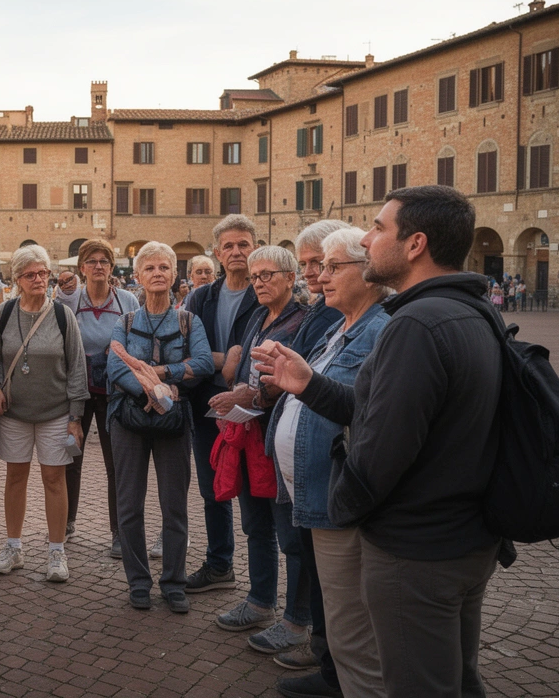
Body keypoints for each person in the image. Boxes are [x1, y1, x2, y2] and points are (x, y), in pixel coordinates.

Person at [257, 185, 503, 697]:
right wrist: (310, 385)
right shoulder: (473, 310)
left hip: (418, 545)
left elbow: (382, 447)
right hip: (462, 533)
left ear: (415, 244)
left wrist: (340, 507)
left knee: (409, 679)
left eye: (378, 228)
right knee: (455, 678)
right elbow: (386, 413)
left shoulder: (415, 324)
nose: (368, 239)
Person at [260, 228, 391, 698]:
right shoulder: (341, 324)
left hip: (340, 491)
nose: (319, 277)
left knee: (351, 617)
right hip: (316, 490)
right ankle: (335, 676)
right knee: (335, 606)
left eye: (333, 267)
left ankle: (346, 681)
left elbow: (365, 408)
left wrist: (302, 381)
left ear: (369, 271)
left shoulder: (380, 328)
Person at [207, 246, 311, 654]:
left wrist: (253, 393)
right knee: (255, 524)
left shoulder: (304, 320)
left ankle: (297, 620)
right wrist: (236, 396)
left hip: (280, 436)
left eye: (269, 274)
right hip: (250, 433)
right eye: (255, 277)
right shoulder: (256, 316)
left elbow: (301, 380)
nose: (260, 283)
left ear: (290, 277)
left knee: (291, 534)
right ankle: (260, 600)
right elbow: (245, 370)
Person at [106, 242, 212, 613]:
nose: (157, 274)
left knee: (174, 506)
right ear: (137, 276)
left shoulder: (189, 321)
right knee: (129, 505)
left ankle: (173, 582)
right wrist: (148, 390)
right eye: (149, 268)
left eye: (164, 267)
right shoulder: (126, 321)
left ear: (174, 275)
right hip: (129, 420)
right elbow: (116, 367)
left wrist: (161, 379)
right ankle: (138, 582)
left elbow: (203, 363)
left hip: (173, 420)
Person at [0, 244, 89, 583]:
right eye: (30, 274)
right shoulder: (4, 312)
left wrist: (76, 417)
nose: (38, 279)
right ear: (16, 279)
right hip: (15, 412)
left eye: (43, 273)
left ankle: (56, 552)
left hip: (56, 412)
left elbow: (77, 367)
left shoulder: (63, 315)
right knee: (15, 478)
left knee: (53, 480)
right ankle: (13, 548)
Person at [183, 215, 261, 594]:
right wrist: (224, 359)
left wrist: (236, 363)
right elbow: (189, 351)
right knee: (213, 488)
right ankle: (219, 564)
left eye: (242, 245)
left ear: (254, 248)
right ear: (216, 253)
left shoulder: (264, 293)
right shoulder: (201, 296)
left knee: (252, 490)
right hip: (206, 404)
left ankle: (261, 585)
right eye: (228, 246)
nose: (235, 252)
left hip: (251, 405)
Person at [67, 239, 140, 557]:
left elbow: (138, 342)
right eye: (92, 261)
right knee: (70, 459)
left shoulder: (127, 301)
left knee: (118, 465)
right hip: (78, 394)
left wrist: (119, 350)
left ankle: (118, 532)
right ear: (82, 268)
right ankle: (65, 523)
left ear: (112, 268)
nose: (99, 266)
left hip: (115, 394)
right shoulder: (70, 302)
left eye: (105, 262)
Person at [289, 221, 351, 358]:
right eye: (303, 264)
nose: (307, 273)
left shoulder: (336, 312)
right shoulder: (324, 305)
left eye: (317, 262)